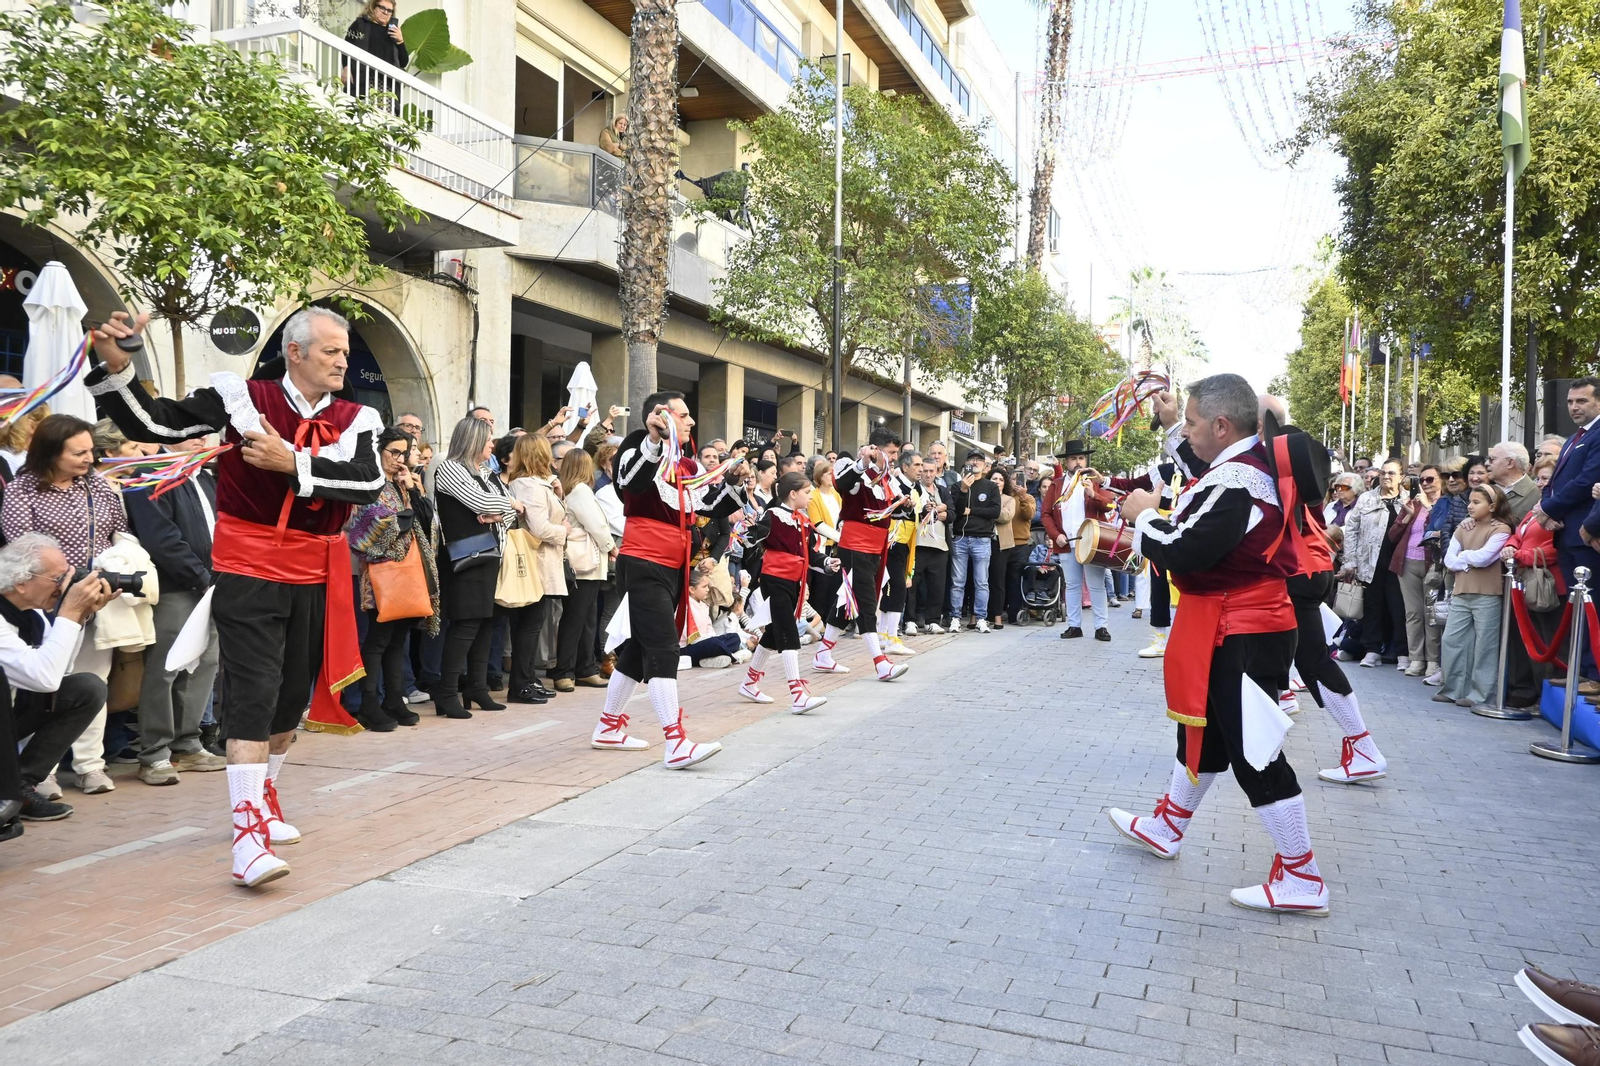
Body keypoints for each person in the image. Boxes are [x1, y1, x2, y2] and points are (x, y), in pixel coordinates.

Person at [87, 307, 385, 888]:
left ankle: (265, 791)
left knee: (291, 695)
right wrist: (119, 363)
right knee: (253, 688)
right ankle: (245, 835)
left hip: (317, 571)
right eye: (330, 351)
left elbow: (367, 481)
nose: (342, 360)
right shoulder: (238, 397)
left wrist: (291, 462)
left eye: (345, 352)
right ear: (295, 352)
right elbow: (155, 423)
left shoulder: (358, 417)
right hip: (247, 566)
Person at [1107, 373, 1329, 914]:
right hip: (1234, 626)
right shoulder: (1242, 469)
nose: (1186, 430)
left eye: (1191, 421)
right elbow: (1200, 476)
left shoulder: (1238, 482)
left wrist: (1143, 519)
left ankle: (1303, 877)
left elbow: (1187, 549)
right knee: (1203, 739)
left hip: (1244, 631)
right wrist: (1170, 426)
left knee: (1255, 754)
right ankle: (1168, 826)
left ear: (1222, 425)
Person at [588, 391, 745, 765]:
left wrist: (736, 481)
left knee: (640, 652)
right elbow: (630, 484)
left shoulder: (687, 465)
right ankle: (675, 742)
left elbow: (707, 505)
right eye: (685, 415)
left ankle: (608, 726)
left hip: (671, 565)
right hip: (643, 561)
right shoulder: (635, 447)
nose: (691, 422)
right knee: (663, 649)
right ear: (661, 416)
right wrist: (655, 439)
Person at [1258, 395, 1389, 785]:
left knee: (1312, 661)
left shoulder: (1281, 457)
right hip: (1309, 567)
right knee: (1294, 659)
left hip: (1296, 571)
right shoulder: (1301, 452)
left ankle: (1363, 746)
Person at [2, 413, 128, 796]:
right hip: (41, 596)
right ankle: (44, 775)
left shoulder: (100, 488)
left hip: (95, 592)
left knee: (92, 681)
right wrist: (64, 582)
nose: (89, 458)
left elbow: (119, 532)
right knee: (43, 685)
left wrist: (114, 566)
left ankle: (92, 765)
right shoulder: (22, 490)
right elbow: (23, 548)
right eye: (78, 452)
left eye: (91, 450)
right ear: (51, 451)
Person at [124, 435, 227, 784]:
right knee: (165, 669)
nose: (202, 439)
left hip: (214, 586)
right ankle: (154, 753)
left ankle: (188, 742)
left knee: (205, 665)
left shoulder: (207, 475)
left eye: (205, 433)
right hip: (176, 587)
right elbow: (161, 537)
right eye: (191, 433)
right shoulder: (152, 473)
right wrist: (202, 578)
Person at [0, 534, 116, 823]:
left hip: (10, 715)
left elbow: (61, 669)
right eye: (58, 577)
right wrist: (70, 610)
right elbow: (44, 678)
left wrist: (80, 614)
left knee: (86, 689)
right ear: (21, 581)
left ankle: (21, 786)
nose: (66, 584)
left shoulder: (32, 613)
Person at [431, 416, 523, 718]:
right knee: (466, 624)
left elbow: (509, 510)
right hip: (464, 558)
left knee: (485, 622)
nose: (492, 444)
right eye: (487, 439)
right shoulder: (450, 469)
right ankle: (446, 693)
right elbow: (487, 503)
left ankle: (477, 687)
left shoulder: (484, 472)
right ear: (472, 441)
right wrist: (498, 508)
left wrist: (497, 511)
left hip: (488, 554)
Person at [348, 427, 437, 732]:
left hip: (406, 572)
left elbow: (425, 522)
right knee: (377, 639)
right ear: (379, 451)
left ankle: (393, 699)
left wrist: (411, 490)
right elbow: (363, 533)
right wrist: (399, 521)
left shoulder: (399, 484)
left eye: (404, 453)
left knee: (399, 636)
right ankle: (368, 702)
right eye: (394, 452)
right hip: (378, 574)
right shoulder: (368, 482)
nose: (400, 459)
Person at [815, 428, 914, 677]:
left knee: (845, 598)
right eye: (891, 452)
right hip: (855, 544)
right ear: (877, 448)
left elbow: (887, 510)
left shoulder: (886, 476)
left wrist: (905, 504)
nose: (893, 458)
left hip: (875, 546)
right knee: (866, 602)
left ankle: (824, 653)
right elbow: (843, 485)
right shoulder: (853, 465)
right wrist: (863, 462)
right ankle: (880, 662)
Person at [739, 471, 830, 713]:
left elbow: (810, 554)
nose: (811, 497)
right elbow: (752, 538)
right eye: (807, 492)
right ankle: (797, 694)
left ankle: (749, 682)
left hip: (793, 581)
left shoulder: (802, 520)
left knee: (772, 634)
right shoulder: (773, 515)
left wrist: (826, 564)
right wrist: (751, 529)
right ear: (792, 494)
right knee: (788, 631)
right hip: (775, 579)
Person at [1532, 378, 1600, 695]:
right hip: (1567, 533)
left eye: (1582, 401)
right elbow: (1563, 482)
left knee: (1593, 606)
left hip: (1587, 533)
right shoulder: (1575, 438)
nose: (1574, 407)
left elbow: (1587, 481)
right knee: (1579, 609)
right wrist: (1553, 512)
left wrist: (1548, 508)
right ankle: (1578, 670)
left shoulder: (1597, 435)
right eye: (1571, 401)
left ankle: (1593, 674)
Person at [1433, 483, 1513, 707]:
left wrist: (1464, 558)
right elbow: (1449, 559)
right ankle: (1452, 688)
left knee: (1484, 645)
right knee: (1452, 640)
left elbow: (1485, 558)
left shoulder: (1501, 529)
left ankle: (1480, 693)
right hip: (1461, 592)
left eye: (1476, 502)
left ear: (1492, 506)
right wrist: (1468, 560)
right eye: (1470, 501)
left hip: (1488, 594)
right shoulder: (1463, 527)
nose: (1470, 506)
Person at [505, 434, 568, 700]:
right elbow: (539, 527)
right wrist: (563, 531)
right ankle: (521, 683)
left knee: (532, 624)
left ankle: (527, 678)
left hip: (538, 559)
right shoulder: (528, 485)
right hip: (535, 560)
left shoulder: (535, 484)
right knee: (529, 624)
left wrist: (558, 494)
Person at [1502, 457, 1562, 709]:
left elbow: (1557, 546)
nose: (1540, 483)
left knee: (1550, 645)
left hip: (1548, 584)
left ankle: (1551, 701)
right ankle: (1533, 693)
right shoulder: (1537, 507)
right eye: (1538, 478)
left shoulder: (1560, 509)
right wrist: (1510, 546)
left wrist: (1522, 556)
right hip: (1525, 580)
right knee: (1530, 642)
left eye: (1546, 478)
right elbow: (1519, 534)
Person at [1337, 458, 1409, 666]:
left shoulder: (1408, 500)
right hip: (1369, 562)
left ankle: (1401, 651)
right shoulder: (1367, 498)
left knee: (1399, 608)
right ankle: (1372, 649)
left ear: (1401, 477)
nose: (1386, 477)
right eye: (1383, 473)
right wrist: (1349, 561)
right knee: (1372, 606)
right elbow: (1352, 530)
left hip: (1399, 564)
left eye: (1392, 473)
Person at [1042, 439, 1114, 641]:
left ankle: (1101, 627)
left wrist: (1093, 494)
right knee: (1072, 585)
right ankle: (1074, 626)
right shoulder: (1057, 485)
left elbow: (1110, 506)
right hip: (1067, 542)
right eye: (1074, 459)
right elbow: (1046, 513)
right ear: (1067, 463)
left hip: (1091, 542)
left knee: (1096, 585)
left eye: (1081, 458)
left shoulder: (1095, 482)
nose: (1078, 462)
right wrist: (1057, 536)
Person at [553, 448, 613, 691]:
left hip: (585, 562)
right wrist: (610, 546)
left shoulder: (572, 491)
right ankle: (564, 671)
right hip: (584, 564)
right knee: (576, 619)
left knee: (586, 618)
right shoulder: (581, 491)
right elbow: (596, 525)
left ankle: (584, 668)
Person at [1392, 463, 1441, 679]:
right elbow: (1393, 535)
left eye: (1430, 479)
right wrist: (1407, 516)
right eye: (1421, 480)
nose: (1424, 484)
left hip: (1433, 565)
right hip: (1408, 562)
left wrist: (1429, 509)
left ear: (1440, 480)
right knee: (1413, 613)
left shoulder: (1445, 504)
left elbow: (1443, 529)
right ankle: (1416, 659)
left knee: (1431, 614)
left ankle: (1433, 660)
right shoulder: (1413, 503)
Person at [946, 451, 1001, 635]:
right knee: (957, 582)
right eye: (971, 460)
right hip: (961, 538)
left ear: (985, 465)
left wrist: (972, 511)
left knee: (981, 582)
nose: (975, 463)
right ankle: (955, 617)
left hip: (982, 538)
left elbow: (995, 511)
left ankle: (981, 618)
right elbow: (956, 511)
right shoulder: (957, 486)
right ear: (966, 463)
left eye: (979, 460)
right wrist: (963, 490)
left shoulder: (991, 486)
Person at [878, 449, 923, 654]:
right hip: (891, 541)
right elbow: (888, 509)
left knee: (896, 586)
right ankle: (890, 636)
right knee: (894, 587)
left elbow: (915, 514)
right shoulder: (895, 484)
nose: (921, 470)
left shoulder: (917, 488)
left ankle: (886, 634)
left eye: (922, 466)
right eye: (917, 465)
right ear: (904, 467)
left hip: (906, 543)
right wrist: (903, 507)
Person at [908, 460, 951, 634]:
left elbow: (953, 513)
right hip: (919, 543)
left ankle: (932, 620)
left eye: (931, 471)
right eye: (924, 470)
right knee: (912, 584)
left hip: (939, 545)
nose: (927, 474)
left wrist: (944, 514)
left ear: (936, 472)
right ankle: (909, 620)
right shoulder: (915, 490)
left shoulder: (943, 490)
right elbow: (913, 512)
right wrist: (926, 510)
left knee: (937, 585)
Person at [341, 0, 407, 99]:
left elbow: (403, 62)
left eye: (389, 10)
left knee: (382, 114)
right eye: (382, 8)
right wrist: (346, 68)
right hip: (363, 78)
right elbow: (347, 46)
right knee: (360, 109)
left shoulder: (393, 33)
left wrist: (400, 41)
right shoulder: (360, 24)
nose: (385, 12)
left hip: (386, 84)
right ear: (373, 7)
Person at [985, 468, 1017, 629]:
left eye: (1000, 479)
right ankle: (981, 615)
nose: (997, 482)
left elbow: (1006, 516)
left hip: (1001, 544)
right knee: (981, 579)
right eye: (993, 478)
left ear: (1005, 483)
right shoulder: (983, 496)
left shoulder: (1009, 499)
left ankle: (997, 615)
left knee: (997, 580)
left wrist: (987, 511)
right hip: (983, 540)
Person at [1003, 470, 1036, 624]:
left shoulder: (1029, 498)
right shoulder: (1004, 497)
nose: (1016, 482)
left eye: (1019, 479)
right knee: (1000, 579)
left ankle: (1013, 614)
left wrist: (1022, 497)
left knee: (1015, 579)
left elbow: (1028, 515)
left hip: (1020, 544)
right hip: (1003, 542)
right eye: (1014, 478)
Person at [1488, 441, 1538, 523]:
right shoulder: (1487, 490)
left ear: (1510, 463)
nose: (1486, 463)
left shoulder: (1536, 494)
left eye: (1492, 459)